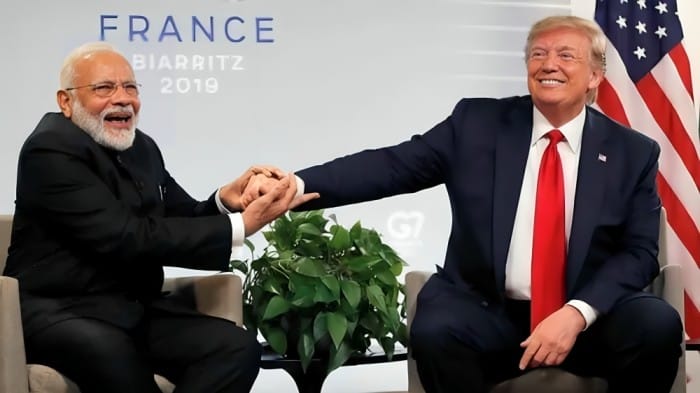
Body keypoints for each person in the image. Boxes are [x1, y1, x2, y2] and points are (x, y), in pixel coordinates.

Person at [247, 15, 684, 393]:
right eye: (538, 54)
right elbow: (390, 165)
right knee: (437, 330)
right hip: (490, 313)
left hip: (589, 320)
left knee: (656, 326)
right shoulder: (476, 124)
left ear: (594, 76)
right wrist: (296, 185)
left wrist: (576, 313)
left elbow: (639, 253)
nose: (549, 64)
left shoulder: (632, 152)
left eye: (566, 55)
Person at [2, 42, 317, 393]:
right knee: (114, 354)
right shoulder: (49, 149)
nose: (122, 99)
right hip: (57, 309)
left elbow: (180, 215)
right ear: (66, 102)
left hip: (130, 309)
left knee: (236, 348)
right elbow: (125, 236)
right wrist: (242, 226)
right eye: (104, 88)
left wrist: (226, 201)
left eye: (131, 87)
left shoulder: (141, 147)